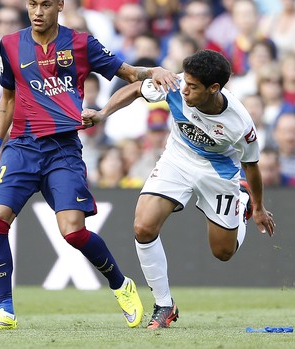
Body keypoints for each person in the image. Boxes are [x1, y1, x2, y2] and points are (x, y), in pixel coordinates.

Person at [0, 0, 179, 331]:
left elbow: (129, 73)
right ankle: (5, 310)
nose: (38, 12)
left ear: (60, 5)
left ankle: (120, 284)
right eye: (32, 4)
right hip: (21, 147)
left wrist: (156, 71)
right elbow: (7, 98)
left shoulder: (82, 44)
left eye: (45, 4)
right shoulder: (9, 44)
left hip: (62, 150)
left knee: (72, 231)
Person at [82, 49, 276, 329]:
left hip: (218, 173)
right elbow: (136, 89)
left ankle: (241, 200)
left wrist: (257, 207)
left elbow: (253, 167)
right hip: (178, 158)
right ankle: (163, 304)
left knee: (223, 252)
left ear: (214, 88)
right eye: (185, 81)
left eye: (193, 87)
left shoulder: (240, 124)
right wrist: (102, 114)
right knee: (143, 227)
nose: (185, 90)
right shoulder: (175, 84)